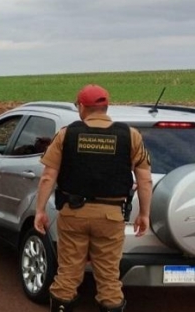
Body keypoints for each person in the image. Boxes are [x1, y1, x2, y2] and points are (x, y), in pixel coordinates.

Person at [34, 84, 153, 312]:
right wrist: (144, 214)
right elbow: (145, 180)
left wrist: (40, 210)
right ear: (106, 107)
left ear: (81, 107)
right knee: (109, 278)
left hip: (73, 214)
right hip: (111, 216)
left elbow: (48, 176)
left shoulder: (67, 134)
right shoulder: (130, 135)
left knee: (68, 274)